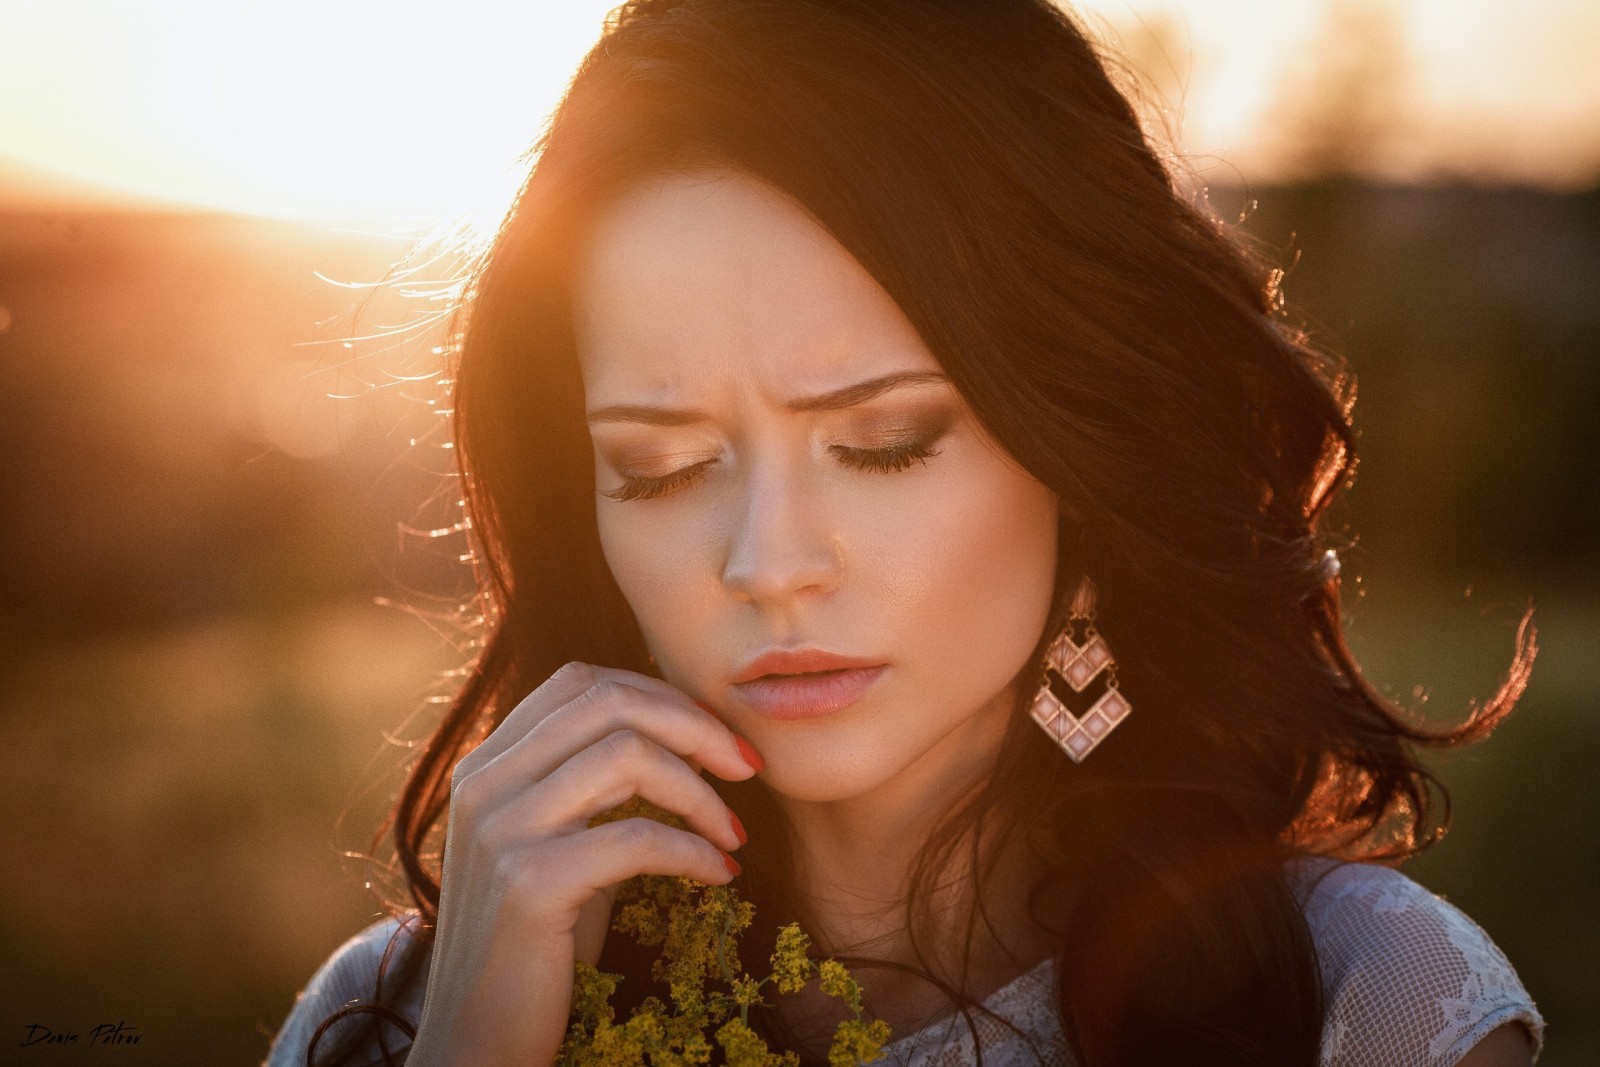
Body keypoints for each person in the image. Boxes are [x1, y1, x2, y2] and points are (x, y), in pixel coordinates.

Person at [265, 1, 1544, 1064]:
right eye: (659, 467)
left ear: (1079, 449)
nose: (767, 562)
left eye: (881, 442)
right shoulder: (399, 1011)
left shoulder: (1367, 1005)